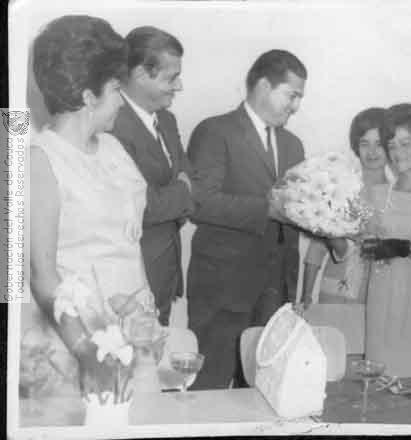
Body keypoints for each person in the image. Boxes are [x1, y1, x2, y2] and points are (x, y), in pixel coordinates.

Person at [25, 15, 155, 397]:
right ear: (88, 97)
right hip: (79, 346)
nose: (122, 101)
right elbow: (42, 275)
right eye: (116, 89)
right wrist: (87, 352)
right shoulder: (40, 161)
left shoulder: (113, 148)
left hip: (135, 334)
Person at [186, 49, 306, 389]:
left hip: (275, 290)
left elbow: (299, 210)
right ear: (264, 85)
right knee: (209, 388)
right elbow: (200, 202)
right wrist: (265, 209)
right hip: (222, 287)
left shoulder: (294, 145)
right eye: (292, 95)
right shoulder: (215, 131)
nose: (296, 106)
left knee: (261, 389)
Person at [111, 26, 195, 326]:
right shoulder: (111, 123)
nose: (179, 86)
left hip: (165, 273)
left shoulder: (167, 120)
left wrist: (176, 194)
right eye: (171, 78)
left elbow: (190, 177)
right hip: (131, 281)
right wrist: (181, 192)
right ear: (140, 75)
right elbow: (138, 206)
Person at [360, 103, 411, 377]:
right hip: (381, 302)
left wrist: (407, 249)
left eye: (405, 144)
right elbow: (363, 247)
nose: (397, 153)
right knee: (379, 379)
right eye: (392, 145)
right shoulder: (375, 195)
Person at [299, 108, 390, 352]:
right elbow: (317, 247)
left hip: (374, 293)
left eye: (379, 144)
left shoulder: (396, 195)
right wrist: (306, 296)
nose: (372, 152)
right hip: (335, 289)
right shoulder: (342, 189)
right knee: (332, 354)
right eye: (364, 143)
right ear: (356, 146)